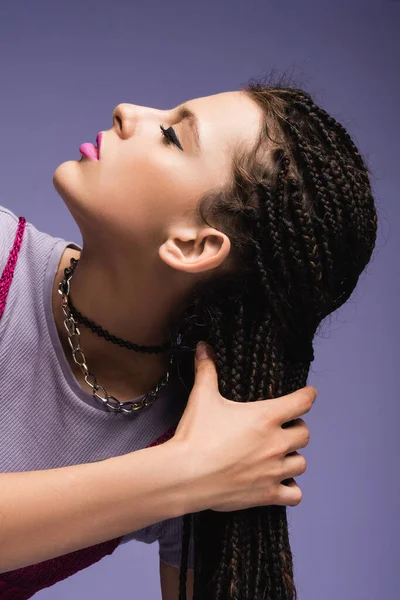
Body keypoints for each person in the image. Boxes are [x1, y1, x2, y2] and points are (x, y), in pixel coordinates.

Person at [0, 71, 376, 599]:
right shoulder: (203, 459)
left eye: (173, 136)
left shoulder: (206, 439)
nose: (127, 110)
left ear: (195, 245)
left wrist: (195, 470)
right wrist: (182, 473)